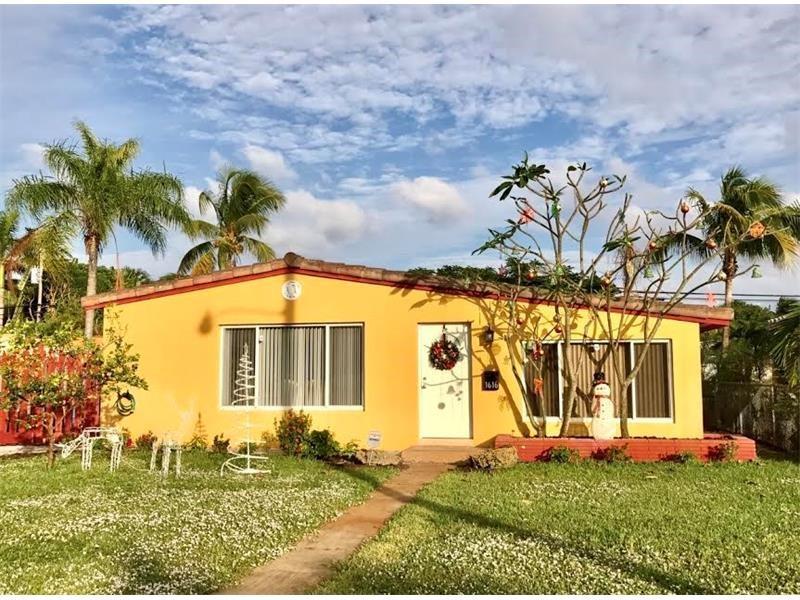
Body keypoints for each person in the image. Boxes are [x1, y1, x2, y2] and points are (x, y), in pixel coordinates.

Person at [591, 371, 615, 440]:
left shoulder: (608, 401)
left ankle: (608, 435)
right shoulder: (595, 399)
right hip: (598, 420)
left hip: (607, 420)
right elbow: (593, 409)